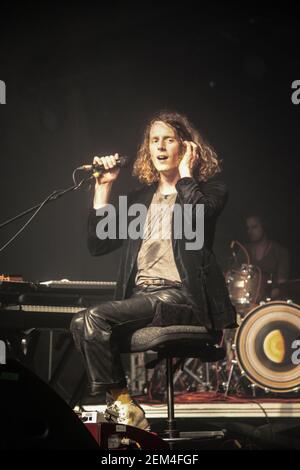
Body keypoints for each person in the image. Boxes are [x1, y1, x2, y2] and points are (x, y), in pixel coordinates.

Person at [70, 110, 236, 430]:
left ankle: (121, 408)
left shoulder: (210, 192)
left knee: (94, 318)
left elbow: (197, 220)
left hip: (182, 296)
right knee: (80, 322)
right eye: (153, 140)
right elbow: (98, 243)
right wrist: (103, 187)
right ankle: (122, 405)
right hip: (146, 296)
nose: (159, 147)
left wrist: (186, 174)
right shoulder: (140, 200)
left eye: (168, 140)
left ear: (186, 147)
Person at [245, 214, 290, 301]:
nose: (250, 231)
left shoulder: (280, 252)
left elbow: (282, 286)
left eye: (254, 227)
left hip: (271, 305)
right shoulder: (244, 250)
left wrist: (262, 296)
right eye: (248, 228)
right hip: (247, 302)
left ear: (264, 227)